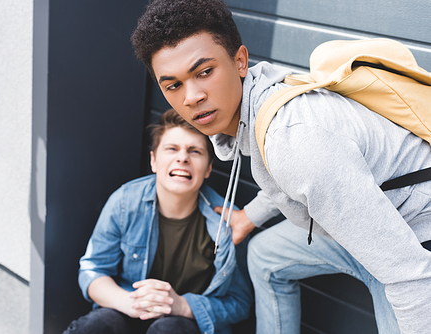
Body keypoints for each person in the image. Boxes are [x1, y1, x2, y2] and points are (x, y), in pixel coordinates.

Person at [131, 1, 431, 333]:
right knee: (265, 257)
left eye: (204, 72)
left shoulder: (294, 141)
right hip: (366, 214)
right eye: (173, 85)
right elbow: (301, 181)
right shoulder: (263, 107)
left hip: (414, 238)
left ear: (240, 61)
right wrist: (248, 217)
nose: (192, 96)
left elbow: (410, 273)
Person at [64, 109, 252, 334]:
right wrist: (130, 303)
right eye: (172, 149)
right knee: (97, 325)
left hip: (185, 326)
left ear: (209, 168)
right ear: (153, 160)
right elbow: (93, 270)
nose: (182, 158)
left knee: (168, 329)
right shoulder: (125, 202)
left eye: (195, 151)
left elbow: (240, 303)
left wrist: (182, 306)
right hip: (128, 312)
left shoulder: (229, 222)